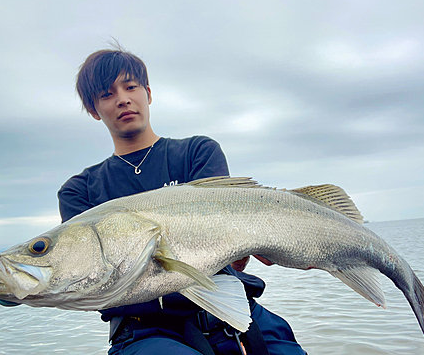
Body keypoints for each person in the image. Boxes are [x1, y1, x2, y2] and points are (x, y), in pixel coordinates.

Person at [58, 47, 307, 355]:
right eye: (107, 94)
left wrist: (254, 249)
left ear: (148, 93)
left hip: (233, 311)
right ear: (94, 110)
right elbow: (84, 275)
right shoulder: (78, 191)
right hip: (143, 331)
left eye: (130, 86)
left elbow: (226, 236)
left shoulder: (197, 152)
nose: (123, 98)